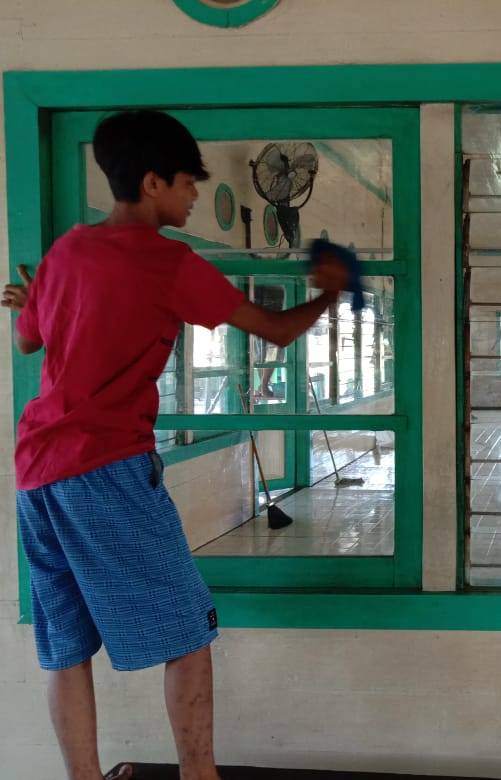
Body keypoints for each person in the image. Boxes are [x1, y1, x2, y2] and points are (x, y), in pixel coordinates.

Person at [1, 109, 347, 780]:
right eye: (188, 183)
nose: (193, 197)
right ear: (153, 182)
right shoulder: (166, 260)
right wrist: (327, 296)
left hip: (35, 470)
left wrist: (36, 301)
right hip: (106, 466)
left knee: (65, 647)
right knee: (188, 633)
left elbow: (27, 340)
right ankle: (199, 775)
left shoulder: (69, 249)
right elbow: (273, 330)